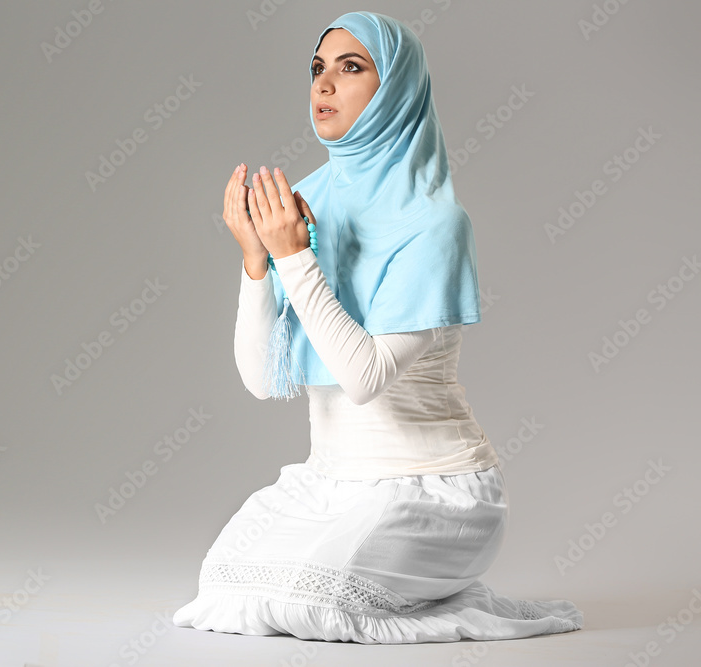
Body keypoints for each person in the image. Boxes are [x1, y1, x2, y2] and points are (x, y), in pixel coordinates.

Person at [172, 11, 584, 643]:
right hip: (327, 485)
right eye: (317, 70)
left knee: (315, 601)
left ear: (396, 90)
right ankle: (410, 587)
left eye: (352, 67)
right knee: (225, 587)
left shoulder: (436, 224)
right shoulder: (306, 200)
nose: (324, 86)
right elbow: (260, 380)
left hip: (434, 494)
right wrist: (256, 261)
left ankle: (440, 581)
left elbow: (363, 379)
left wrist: (292, 256)